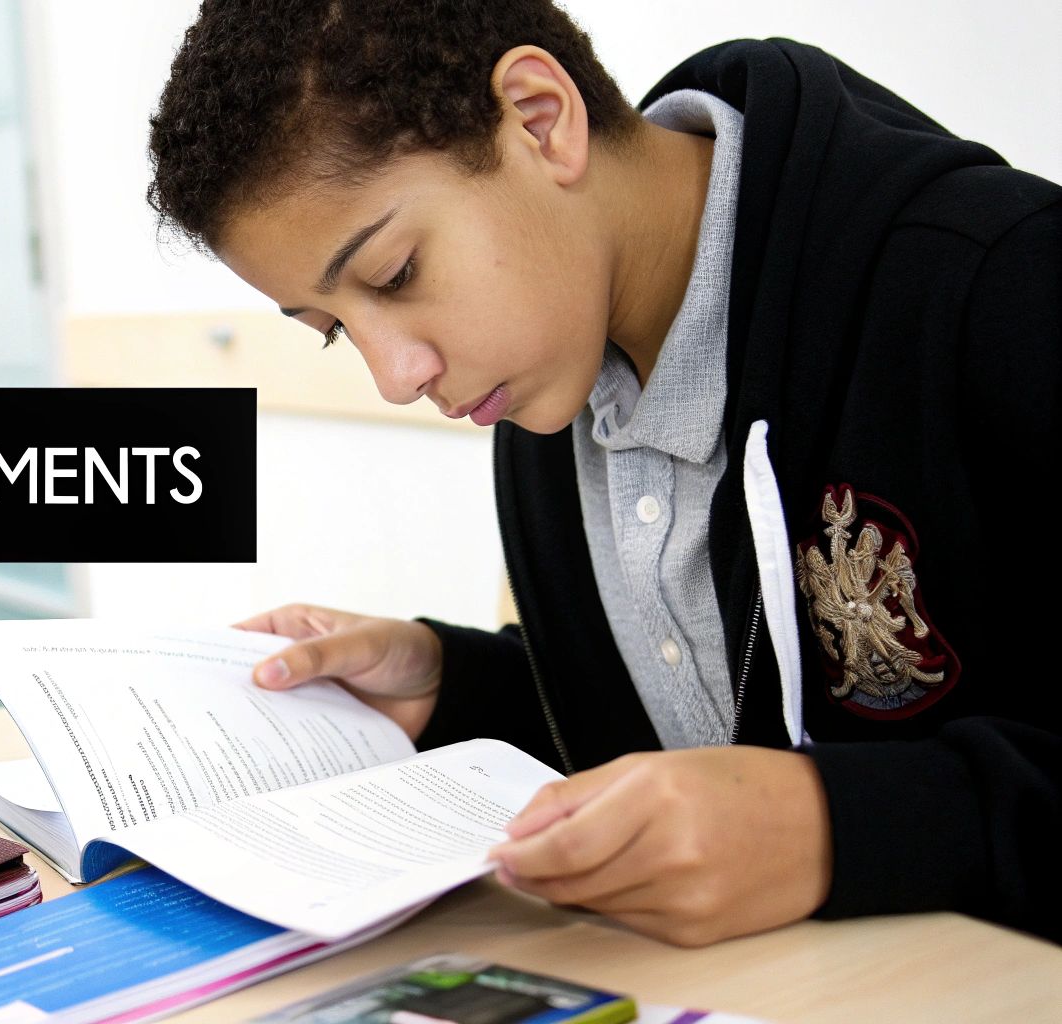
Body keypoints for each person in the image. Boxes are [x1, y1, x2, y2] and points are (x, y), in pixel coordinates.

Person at [145, 0, 1060, 946]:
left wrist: (836, 827)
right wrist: (455, 686)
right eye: (335, 329)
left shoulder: (1001, 282)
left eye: (396, 274)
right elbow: (694, 738)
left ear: (542, 120)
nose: (395, 377)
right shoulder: (544, 385)